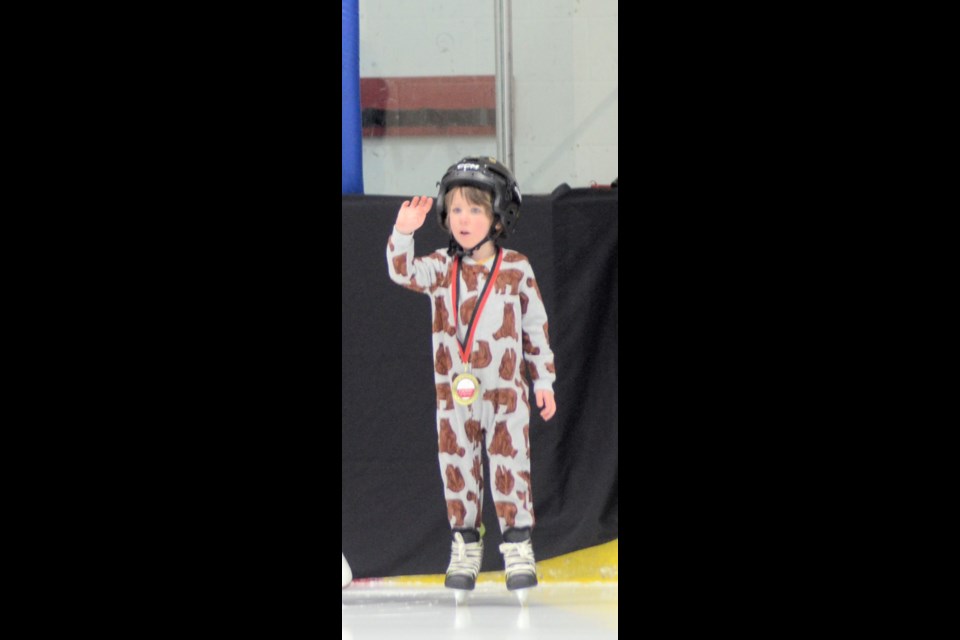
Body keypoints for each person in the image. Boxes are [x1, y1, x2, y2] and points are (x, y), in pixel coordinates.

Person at [386, 157, 557, 595]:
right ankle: (465, 543)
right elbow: (401, 272)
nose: (464, 219)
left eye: (476, 210)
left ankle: (517, 544)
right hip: (454, 395)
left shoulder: (516, 267)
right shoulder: (442, 268)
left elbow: (535, 327)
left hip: (507, 395)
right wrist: (403, 233)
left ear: (500, 217)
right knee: (457, 468)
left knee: (510, 466)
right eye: (457, 209)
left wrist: (544, 381)